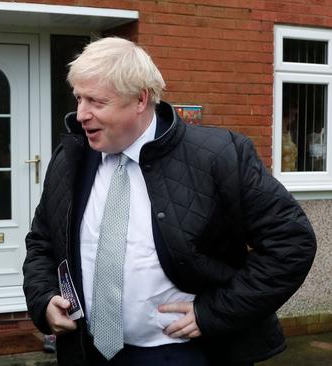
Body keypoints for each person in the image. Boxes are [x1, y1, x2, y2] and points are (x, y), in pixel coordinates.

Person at [22, 36, 316, 366]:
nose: (80, 115)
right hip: (86, 351)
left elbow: (292, 243)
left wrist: (216, 312)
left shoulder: (218, 156)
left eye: (96, 102)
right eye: (78, 98)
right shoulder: (70, 157)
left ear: (139, 99)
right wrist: (43, 298)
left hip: (185, 353)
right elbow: (42, 242)